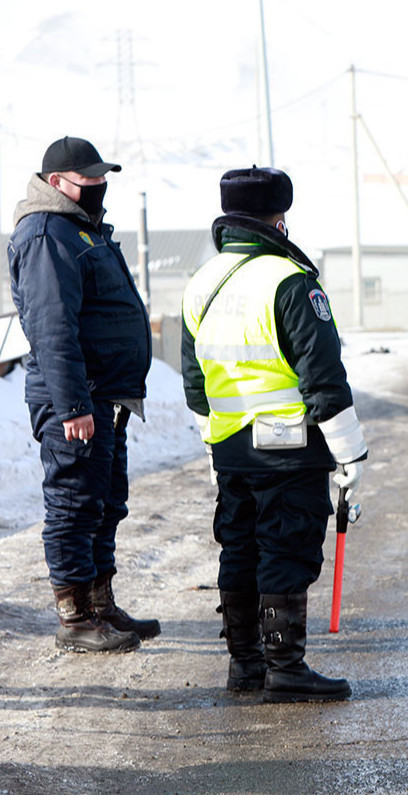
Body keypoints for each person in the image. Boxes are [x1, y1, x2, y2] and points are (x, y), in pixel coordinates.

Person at [181, 166, 367, 703]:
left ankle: (246, 667)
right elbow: (324, 378)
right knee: (284, 550)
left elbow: (195, 380)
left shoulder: (202, 282)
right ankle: (286, 669)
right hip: (288, 449)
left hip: (231, 447)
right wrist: (350, 453)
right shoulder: (290, 281)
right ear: (278, 218)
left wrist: (211, 436)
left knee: (238, 548)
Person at [7, 136, 159, 654]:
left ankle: (100, 603)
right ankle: (74, 617)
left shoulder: (80, 230)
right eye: (87, 180)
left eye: (102, 178)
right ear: (56, 183)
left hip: (103, 396)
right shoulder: (48, 232)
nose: (98, 186)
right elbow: (52, 326)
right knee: (74, 504)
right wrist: (72, 404)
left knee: (104, 503)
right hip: (75, 398)